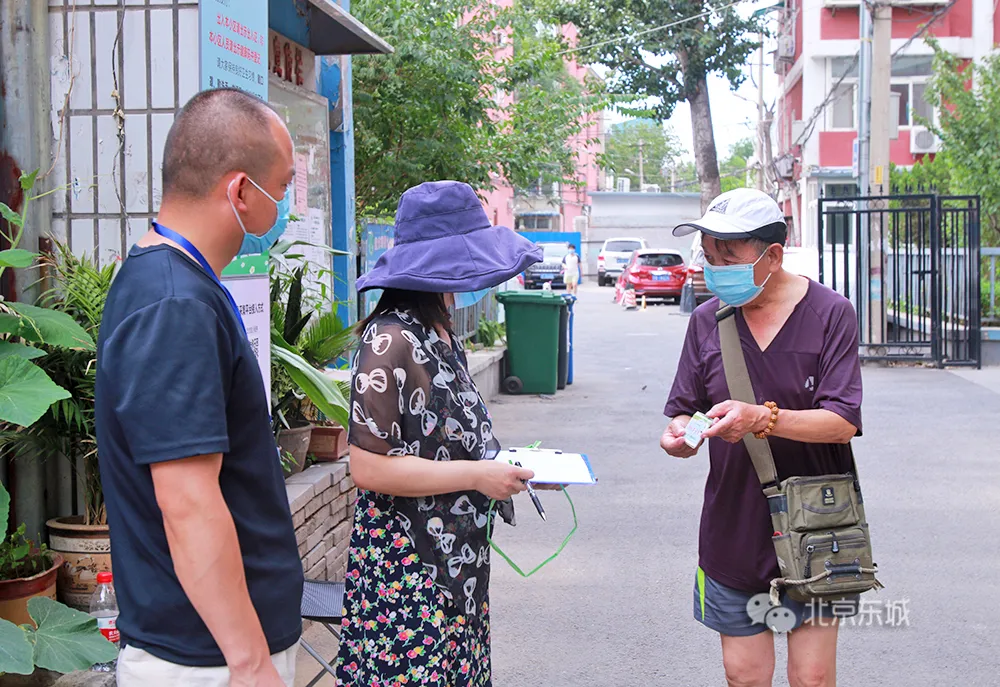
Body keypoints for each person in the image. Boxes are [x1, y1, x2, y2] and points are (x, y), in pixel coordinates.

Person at [95, 88, 301, 686]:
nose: (281, 205)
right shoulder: (173, 304)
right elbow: (187, 501)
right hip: (206, 660)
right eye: (282, 189)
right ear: (240, 191)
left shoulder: (170, 283)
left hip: (216, 651)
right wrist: (251, 661)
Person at [334, 181, 544, 687]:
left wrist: (503, 471)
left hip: (460, 565)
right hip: (408, 572)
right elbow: (367, 466)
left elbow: (448, 440)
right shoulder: (389, 339)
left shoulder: (441, 328)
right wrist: (478, 474)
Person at [660, 188, 863, 687]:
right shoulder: (708, 322)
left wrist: (762, 418)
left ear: (773, 254)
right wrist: (680, 436)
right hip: (733, 525)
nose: (716, 269)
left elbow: (842, 421)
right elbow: (684, 413)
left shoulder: (831, 314)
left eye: (728, 257)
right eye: (709, 258)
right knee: (744, 677)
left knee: (812, 678)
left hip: (817, 527)